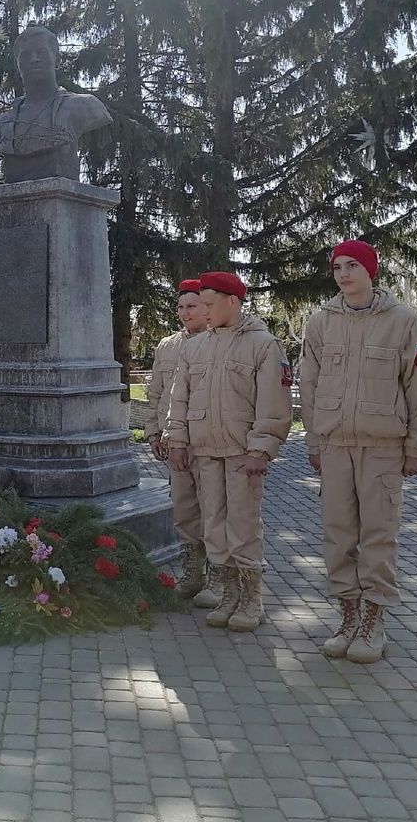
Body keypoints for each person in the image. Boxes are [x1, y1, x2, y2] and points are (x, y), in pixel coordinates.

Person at [300, 240, 417, 663]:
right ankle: (347, 615)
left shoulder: (405, 321)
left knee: (378, 535)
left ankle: (373, 621)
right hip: (336, 444)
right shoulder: (320, 322)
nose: (343, 273)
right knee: (338, 536)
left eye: (353, 265)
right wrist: (314, 441)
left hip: (382, 448)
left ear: (371, 270)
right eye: (337, 266)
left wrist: (416, 447)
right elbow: (309, 384)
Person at [166, 271, 292, 633]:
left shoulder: (263, 345)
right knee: (214, 524)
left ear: (232, 302)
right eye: (199, 303)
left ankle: (253, 598)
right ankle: (229, 594)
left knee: (243, 524)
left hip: (241, 453)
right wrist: (178, 440)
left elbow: (273, 401)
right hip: (204, 451)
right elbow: (179, 399)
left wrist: (262, 448)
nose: (203, 310)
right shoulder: (194, 348)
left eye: (209, 303)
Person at [144, 279, 212, 601]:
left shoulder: (218, 342)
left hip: (209, 440)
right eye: (181, 307)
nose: (185, 313)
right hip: (174, 442)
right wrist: (153, 432)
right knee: (184, 508)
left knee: (215, 507)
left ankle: (221, 574)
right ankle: (193, 569)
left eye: (192, 306)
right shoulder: (167, 346)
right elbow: (155, 393)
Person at [0, 25, 112, 184]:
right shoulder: (2, 124)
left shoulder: (84, 106)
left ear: (57, 59)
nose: (34, 59)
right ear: (18, 65)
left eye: (42, 53)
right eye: (25, 55)